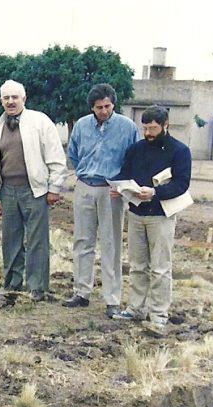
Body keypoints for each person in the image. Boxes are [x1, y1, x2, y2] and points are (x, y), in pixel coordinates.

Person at [110, 105, 192, 332]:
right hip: (136, 213)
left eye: (153, 128)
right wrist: (119, 186)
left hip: (161, 216)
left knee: (160, 268)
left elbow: (182, 184)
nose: (148, 133)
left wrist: (155, 193)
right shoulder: (136, 149)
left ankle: (158, 315)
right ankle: (135, 308)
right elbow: (125, 173)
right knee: (137, 265)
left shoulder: (180, 151)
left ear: (166, 125)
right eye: (145, 128)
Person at [0, 80, 66, 301]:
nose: (10, 102)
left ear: (24, 98)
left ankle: (37, 287)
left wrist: (54, 187)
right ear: (1, 100)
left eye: (15, 97)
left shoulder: (40, 122)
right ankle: (13, 284)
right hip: (7, 191)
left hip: (35, 190)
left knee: (37, 240)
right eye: (6, 98)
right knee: (10, 240)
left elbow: (56, 157)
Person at [63, 83, 140, 317]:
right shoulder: (82, 126)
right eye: (99, 107)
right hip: (85, 186)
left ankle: (112, 298)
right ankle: (81, 292)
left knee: (111, 244)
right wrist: (83, 175)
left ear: (113, 104)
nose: (104, 111)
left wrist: (123, 184)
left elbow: (134, 158)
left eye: (107, 106)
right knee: (82, 242)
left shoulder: (127, 127)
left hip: (112, 191)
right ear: (92, 108)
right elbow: (73, 155)